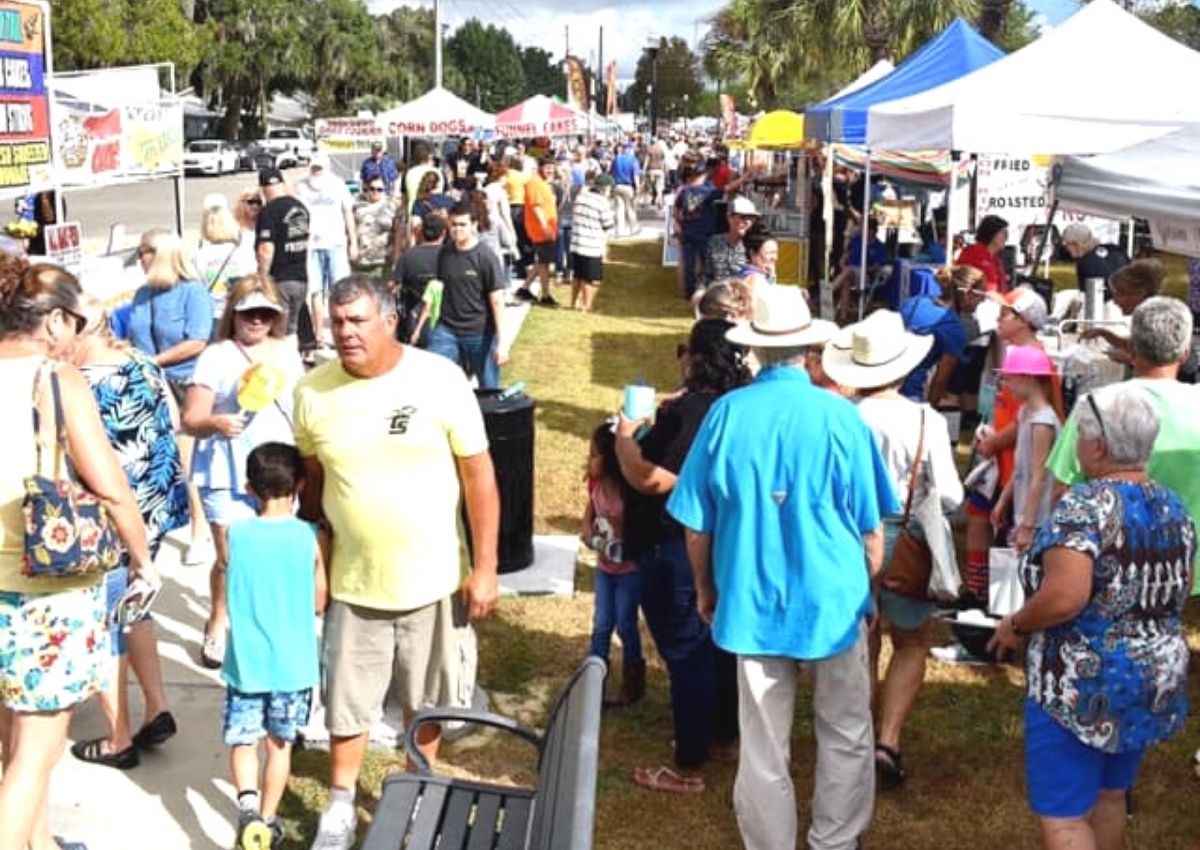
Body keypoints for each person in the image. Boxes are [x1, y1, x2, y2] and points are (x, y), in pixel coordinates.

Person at [667, 286, 894, 849]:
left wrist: (705, 587)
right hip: (833, 597)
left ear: (754, 349)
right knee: (845, 728)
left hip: (752, 594)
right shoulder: (842, 417)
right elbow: (871, 527)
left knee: (764, 741)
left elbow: (696, 524)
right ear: (809, 348)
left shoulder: (726, 414)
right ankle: (835, 841)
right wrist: (866, 589)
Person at [295, 275, 499, 850]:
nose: (345, 333)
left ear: (389, 321)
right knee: (346, 702)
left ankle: (418, 791)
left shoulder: (440, 378)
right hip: (353, 584)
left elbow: (479, 476)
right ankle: (340, 804)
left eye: (358, 321)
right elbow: (313, 488)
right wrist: (317, 558)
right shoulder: (311, 393)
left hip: (434, 581)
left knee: (425, 700)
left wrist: (485, 566)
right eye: (337, 322)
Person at [990, 383, 1193, 850]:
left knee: (1064, 816)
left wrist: (1015, 624)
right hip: (1152, 677)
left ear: (1099, 446)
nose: (1077, 443)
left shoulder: (1084, 506)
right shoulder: (1173, 506)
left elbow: (1064, 597)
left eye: (1081, 435)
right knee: (1110, 795)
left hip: (1083, 682)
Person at [0, 259, 153, 850]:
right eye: (78, 323)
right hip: (46, 592)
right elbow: (111, 488)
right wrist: (141, 560)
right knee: (34, 756)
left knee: (13, 744)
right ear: (55, 321)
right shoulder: (55, 380)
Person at [821, 309, 963, 788]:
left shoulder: (841, 416)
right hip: (906, 536)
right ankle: (888, 740)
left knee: (861, 637)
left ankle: (858, 736)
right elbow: (950, 494)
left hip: (847, 536)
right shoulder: (925, 419)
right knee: (911, 641)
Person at [615, 318, 754, 795]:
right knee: (719, 644)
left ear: (696, 357)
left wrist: (624, 438)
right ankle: (724, 734)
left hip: (673, 544)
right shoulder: (738, 405)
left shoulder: (692, 412)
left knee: (686, 649)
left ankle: (689, 760)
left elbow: (651, 479)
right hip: (726, 541)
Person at [68, 295, 188, 771]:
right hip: (154, 506)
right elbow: (173, 423)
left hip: (110, 516)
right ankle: (156, 706)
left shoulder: (79, 381)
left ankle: (117, 736)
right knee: (134, 605)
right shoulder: (140, 360)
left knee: (107, 623)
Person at [182, 276, 305, 669]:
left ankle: (262, 629)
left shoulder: (287, 352)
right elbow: (191, 418)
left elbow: (302, 407)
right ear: (233, 314)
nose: (257, 321)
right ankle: (219, 621)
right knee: (232, 559)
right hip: (226, 467)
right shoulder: (215, 356)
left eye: (266, 314)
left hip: (278, 470)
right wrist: (215, 422)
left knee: (271, 556)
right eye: (249, 313)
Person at [1047, 296, 1200, 593]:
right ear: (1184, 354)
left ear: (1131, 348)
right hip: (1186, 568)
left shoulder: (1098, 406)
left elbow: (1061, 490)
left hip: (1117, 570)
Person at [224, 442, 326, 850]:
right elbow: (320, 600)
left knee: (243, 740)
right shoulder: (309, 537)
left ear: (249, 487)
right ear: (300, 484)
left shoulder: (236, 534)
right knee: (278, 745)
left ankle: (247, 806)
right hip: (293, 665)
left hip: (245, 663)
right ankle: (266, 820)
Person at [127, 228, 213, 564]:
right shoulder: (141, 294)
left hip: (185, 382)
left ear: (159, 254)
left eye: (143, 252)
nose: (139, 259)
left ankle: (199, 529)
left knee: (186, 458)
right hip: (149, 381)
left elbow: (197, 340)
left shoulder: (192, 292)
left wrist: (155, 361)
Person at [965, 286, 1050, 602]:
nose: (999, 319)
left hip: (1015, 465)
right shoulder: (1014, 354)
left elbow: (1033, 415)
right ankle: (978, 591)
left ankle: (999, 602)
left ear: (1024, 320)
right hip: (1000, 461)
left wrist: (996, 441)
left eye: (1005, 314)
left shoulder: (1036, 361)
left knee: (1006, 535)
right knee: (979, 516)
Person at [582, 422, 644, 708]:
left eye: (594, 454)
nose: (589, 460)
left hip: (629, 572)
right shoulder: (596, 487)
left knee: (626, 624)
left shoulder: (628, 493)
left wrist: (622, 531)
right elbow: (589, 513)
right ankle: (594, 682)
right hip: (605, 569)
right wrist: (587, 531)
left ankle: (633, 682)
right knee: (602, 624)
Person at [429, 202, 509, 389]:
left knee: (489, 388)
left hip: (480, 333)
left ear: (474, 225)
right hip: (447, 330)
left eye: (462, 224)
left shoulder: (485, 257)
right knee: (434, 377)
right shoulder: (445, 253)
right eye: (453, 224)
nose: (457, 229)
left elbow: (497, 301)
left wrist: (503, 343)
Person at [991, 346, 1062, 555]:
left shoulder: (1042, 422)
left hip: (1038, 517)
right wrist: (1003, 500)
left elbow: (1039, 476)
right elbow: (1021, 466)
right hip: (1024, 511)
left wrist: (1028, 526)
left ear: (1028, 378)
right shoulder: (1025, 413)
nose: (1005, 386)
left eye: (1008, 379)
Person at [296, 154, 358, 349]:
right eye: (314, 168)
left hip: (336, 244)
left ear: (329, 167)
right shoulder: (301, 186)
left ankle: (338, 331)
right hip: (311, 247)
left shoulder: (338, 184)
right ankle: (319, 334)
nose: (317, 172)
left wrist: (353, 242)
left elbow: (348, 213)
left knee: (339, 290)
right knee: (315, 291)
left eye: (320, 168)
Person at [898, 266, 968, 406]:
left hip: (879, 385)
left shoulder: (914, 301)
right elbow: (940, 381)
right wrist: (930, 412)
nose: (982, 301)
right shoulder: (954, 328)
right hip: (909, 394)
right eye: (981, 296)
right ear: (967, 294)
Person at [255, 168, 310, 343]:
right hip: (301, 278)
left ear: (262, 189)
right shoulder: (300, 207)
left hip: (279, 280)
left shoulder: (269, 211)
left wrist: (262, 278)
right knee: (292, 331)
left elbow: (266, 249)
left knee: (277, 334)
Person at [1079, 259, 1166, 362]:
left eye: (1119, 295)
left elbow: (1162, 358)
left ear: (1140, 294)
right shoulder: (1143, 316)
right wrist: (1103, 333)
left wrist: (1130, 359)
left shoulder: (1156, 320)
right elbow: (1134, 346)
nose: (1114, 301)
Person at [195, 194, 256, 327]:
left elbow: (197, 287)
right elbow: (252, 281)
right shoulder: (243, 252)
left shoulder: (199, 255)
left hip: (211, 315)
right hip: (238, 312)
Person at [392, 215, 447, 346]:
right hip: (446, 320)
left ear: (420, 232)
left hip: (414, 320)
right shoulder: (450, 255)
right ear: (444, 233)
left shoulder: (408, 256)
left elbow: (393, 286)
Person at [515, 157, 560, 307]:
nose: (550, 171)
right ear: (540, 167)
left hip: (546, 228)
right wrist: (545, 227)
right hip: (541, 230)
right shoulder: (535, 182)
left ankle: (524, 290)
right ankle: (545, 296)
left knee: (541, 261)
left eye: (552, 168)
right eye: (547, 167)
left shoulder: (542, 182)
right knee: (544, 263)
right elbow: (536, 207)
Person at [569, 173, 616, 313]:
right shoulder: (602, 202)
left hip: (576, 242)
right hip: (591, 245)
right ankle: (586, 306)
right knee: (590, 279)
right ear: (605, 188)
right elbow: (608, 225)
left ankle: (573, 303)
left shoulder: (580, 197)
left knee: (577, 276)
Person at [831, 217, 888, 323]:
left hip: (865, 276)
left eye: (869, 230)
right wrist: (843, 263)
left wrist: (861, 269)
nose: (865, 232)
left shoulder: (879, 247)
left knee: (848, 271)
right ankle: (843, 316)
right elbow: (844, 257)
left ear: (874, 231)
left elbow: (877, 267)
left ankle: (830, 290)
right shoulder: (856, 240)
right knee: (846, 280)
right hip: (850, 273)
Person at [701, 196, 760, 292]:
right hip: (716, 294)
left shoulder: (756, 246)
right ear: (729, 217)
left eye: (751, 218)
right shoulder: (715, 242)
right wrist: (700, 290)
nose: (747, 222)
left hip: (743, 296)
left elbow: (766, 278)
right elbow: (708, 274)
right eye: (743, 217)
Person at [1061, 222, 1129, 295]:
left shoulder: (1085, 264)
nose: (1066, 249)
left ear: (1077, 245)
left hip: (1109, 300)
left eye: (1067, 245)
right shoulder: (1116, 250)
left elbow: (1088, 296)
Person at [956, 214, 1010, 294]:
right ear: (992, 233)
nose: (1006, 237)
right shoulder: (974, 253)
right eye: (1003, 233)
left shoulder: (996, 260)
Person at [352, 177, 397, 272]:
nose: (375, 192)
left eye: (379, 189)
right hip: (362, 258)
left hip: (383, 258)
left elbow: (396, 231)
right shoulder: (357, 207)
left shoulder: (391, 208)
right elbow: (350, 230)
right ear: (367, 189)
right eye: (372, 189)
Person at [482, 162, 518, 274]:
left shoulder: (485, 189)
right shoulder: (500, 191)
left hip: (486, 223)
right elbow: (505, 214)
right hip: (498, 223)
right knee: (504, 253)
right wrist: (512, 232)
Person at [738, 224, 778, 299]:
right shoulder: (752, 279)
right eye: (769, 252)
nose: (775, 257)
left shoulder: (762, 275)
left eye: (775, 252)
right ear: (753, 254)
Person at [403, 141, 441, 216]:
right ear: (429, 156)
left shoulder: (408, 173)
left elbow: (404, 197)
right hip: (434, 213)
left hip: (413, 212)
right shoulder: (439, 172)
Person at [611, 144, 641, 237]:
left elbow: (611, 173)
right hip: (628, 187)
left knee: (619, 209)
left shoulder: (616, 159)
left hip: (617, 186)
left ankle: (619, 230)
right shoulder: (633, 160)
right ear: (631, 150)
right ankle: (633, 228)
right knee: (630, 209)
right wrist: (638, 187)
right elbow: (635, 175)